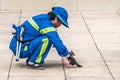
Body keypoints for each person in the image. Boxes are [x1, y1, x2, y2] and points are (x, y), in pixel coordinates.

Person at [9, 6, 80, 70]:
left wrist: (65, 53)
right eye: (61, 23)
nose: (60, 25)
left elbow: (56, 41)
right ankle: (33, 62)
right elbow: (56, 41)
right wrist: (68, 56)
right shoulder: (47, 25)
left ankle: (32, 59)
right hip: (21, 50)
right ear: (56, 18)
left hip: (20, 46)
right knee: (47, 40)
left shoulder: (44, 18)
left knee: (48, 38)